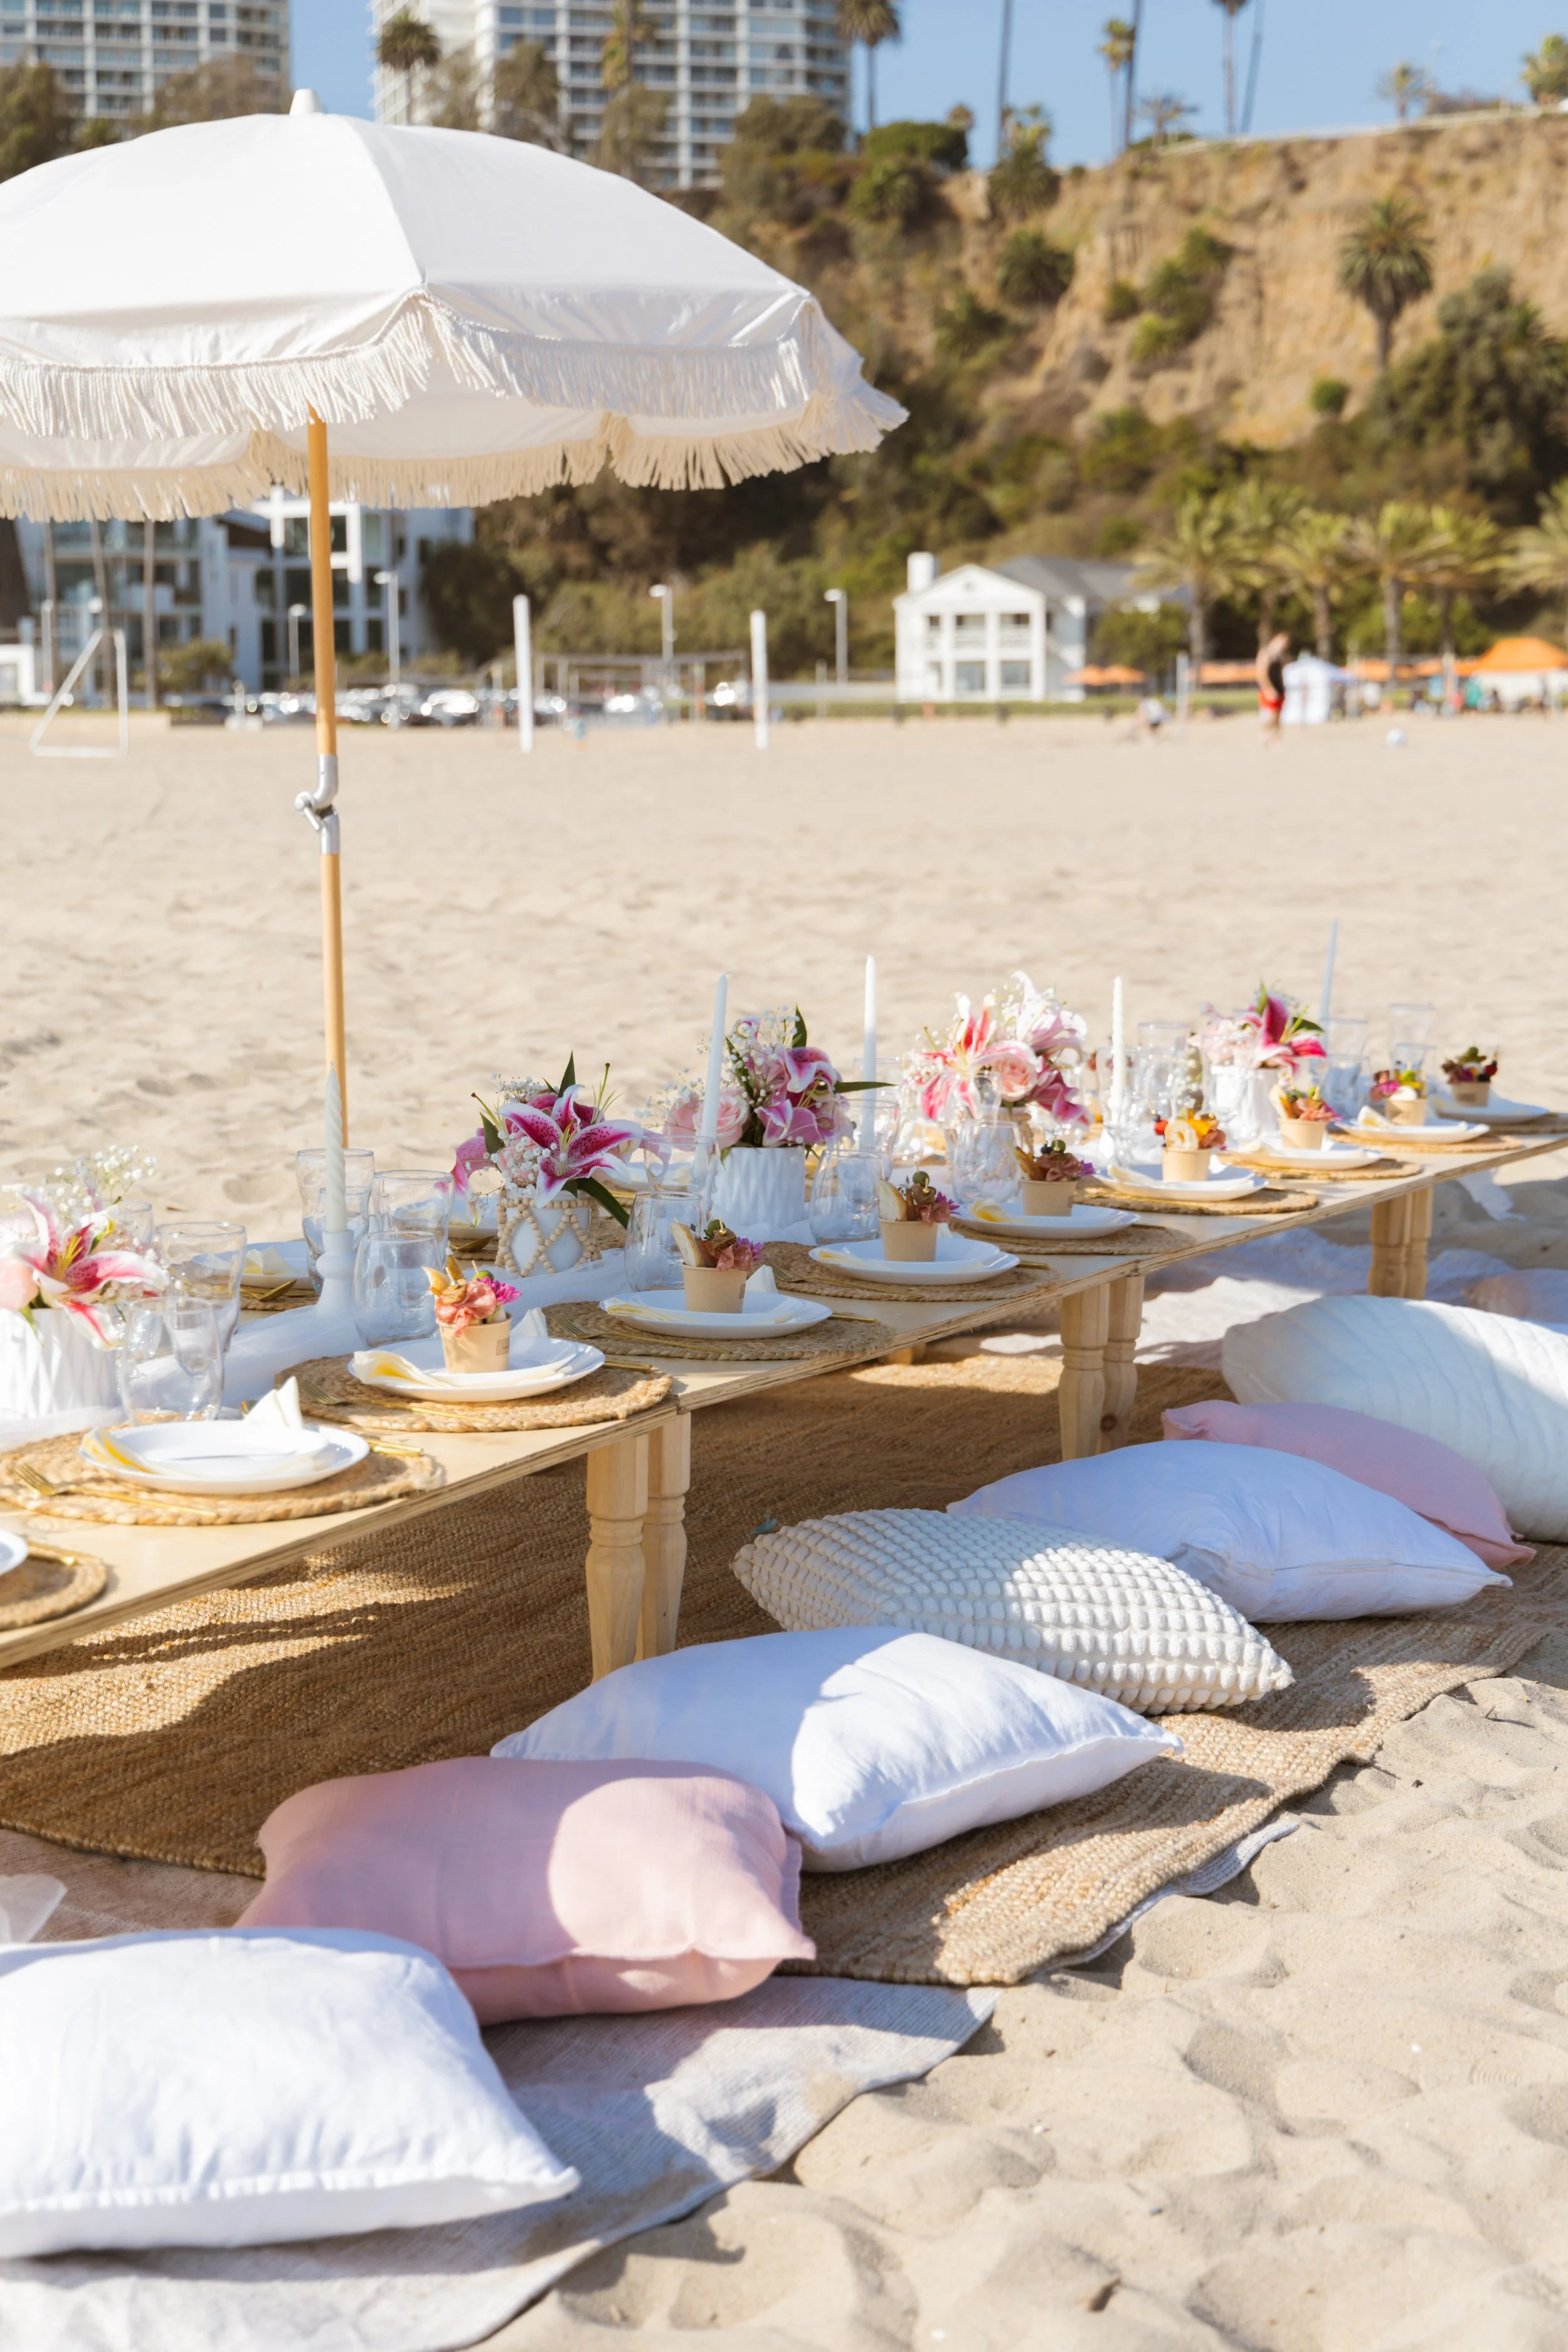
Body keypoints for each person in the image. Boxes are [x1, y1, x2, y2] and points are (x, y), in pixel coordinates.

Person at [1256, 630, 1290, 743]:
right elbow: (1262, 673)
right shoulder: (1266, 653)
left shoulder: (1281, 655)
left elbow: (1281, 673)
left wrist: (1283, 688)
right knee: (1271, 715)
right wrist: (1268, 688)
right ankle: (1264, 732)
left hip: (1279, 686)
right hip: (1269, 688)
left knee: (1279, 715)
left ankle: (1276, 737)